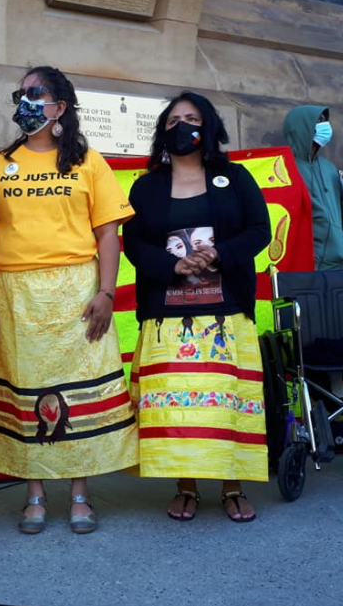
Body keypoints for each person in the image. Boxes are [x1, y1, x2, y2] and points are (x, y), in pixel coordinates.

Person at [0, 66, 137, 535]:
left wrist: (106, 291)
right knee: (24, 394)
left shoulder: (89, 162)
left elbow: (107, 232)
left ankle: (80, 493)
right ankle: (35, 495)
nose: (25, 101)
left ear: (60, 108)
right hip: (15, 295)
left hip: (76, 294)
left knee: (74, 392)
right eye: (19, 94)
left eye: (35, 93)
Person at [122, 91, 270, 522]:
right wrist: (175, 263)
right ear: (162, 133)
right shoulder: (145, 186)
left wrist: (218, 253)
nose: (182, 126)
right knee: (178, 402)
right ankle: (185, 485)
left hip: (226, 309)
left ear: (208, 126)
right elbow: (134, 241)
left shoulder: (235, 177)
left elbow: (259, 230)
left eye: (191, 118)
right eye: (172, 121)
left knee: (227, 401)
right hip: (168, 312)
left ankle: (232, 485)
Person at [283, 105, 343, 270]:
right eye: (318, 120)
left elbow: (342, 210)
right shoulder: (283, 167)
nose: (324, 125)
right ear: (302, 126)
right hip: (305, 263)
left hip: (338, 262)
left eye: (325, 120)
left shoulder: (329, 168)